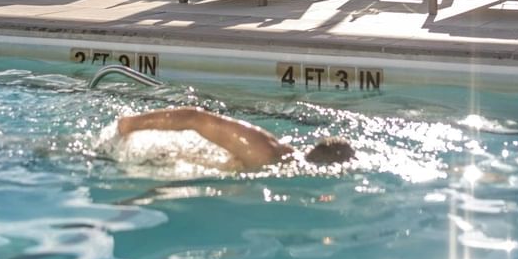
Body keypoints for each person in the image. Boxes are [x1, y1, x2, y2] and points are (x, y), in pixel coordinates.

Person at [116, 106, 355, 170]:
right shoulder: (263, 151)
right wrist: (129, 124)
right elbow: (194, 118)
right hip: (134, 157)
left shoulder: (282, 162)